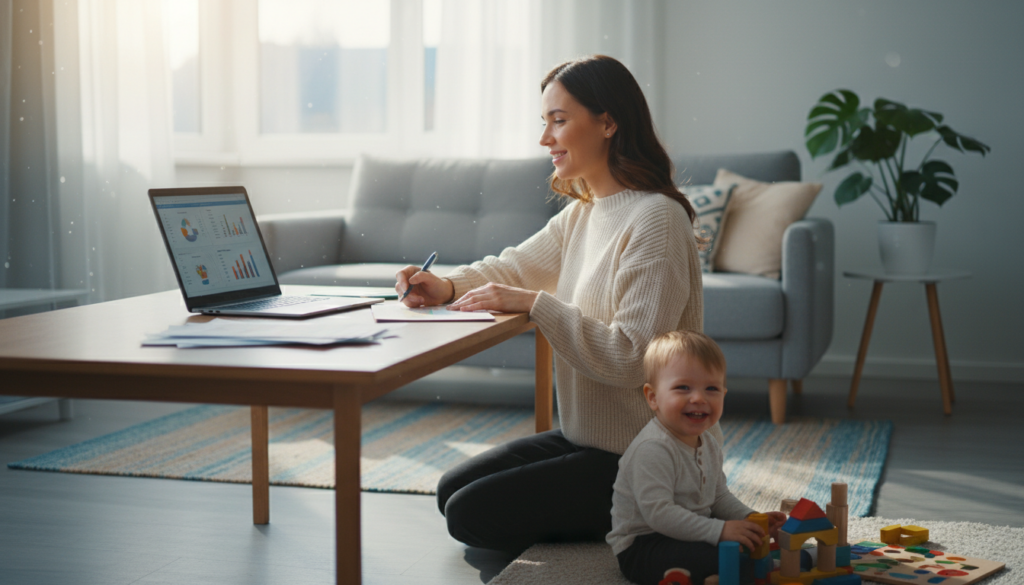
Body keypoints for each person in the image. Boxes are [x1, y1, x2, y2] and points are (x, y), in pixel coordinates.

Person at [394, 55, 705, 552]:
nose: (546, 140)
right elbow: (514, 266)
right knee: (450, 491)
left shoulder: (657, 219)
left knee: (468, 514)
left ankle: (664, 508)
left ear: (608, 122)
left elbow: (633, 358)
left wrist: (539, 305)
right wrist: (446, 286)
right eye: (546, 123)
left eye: (559, 121)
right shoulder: (585, 214)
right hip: (589, 439)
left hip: (647, 455)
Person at [607, 330, 787, 585]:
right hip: (644, 545)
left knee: (746, 548)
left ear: (723, 394)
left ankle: (719, 573)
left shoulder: (709, 443)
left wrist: (748, 518)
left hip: (690, 531)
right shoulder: (653, 448)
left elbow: (719, 496)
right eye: (683, 387)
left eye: (711, 388)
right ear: (653, 397)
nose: (699, 398)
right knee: (735, 557)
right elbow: (660, 514)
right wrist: (720, 530)